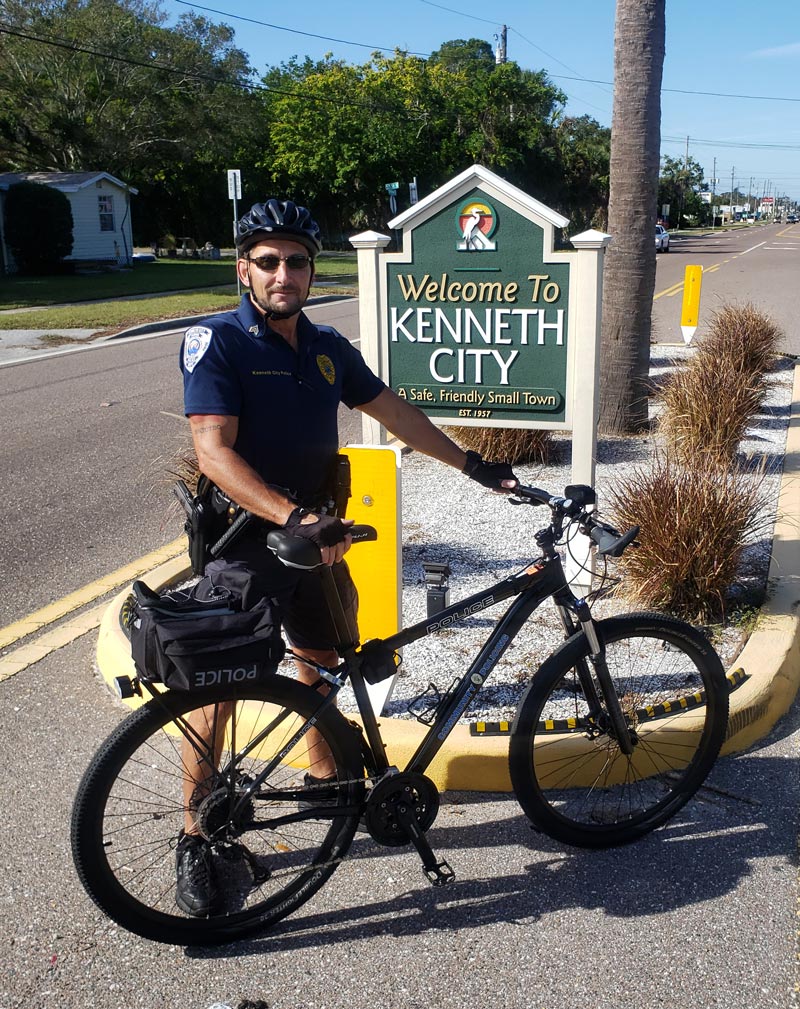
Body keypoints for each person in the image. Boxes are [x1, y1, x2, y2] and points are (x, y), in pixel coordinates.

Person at [176, 197, 518, 916]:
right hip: (248, 543)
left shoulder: (328, 346)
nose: (283, 274)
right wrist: (293, 515)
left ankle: (327, 789)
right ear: (244, 269)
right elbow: (213, 451)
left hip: (317, 541)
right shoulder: (219, 343)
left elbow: (393, 410)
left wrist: (471, 464)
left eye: (296, 261)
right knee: (219, 690)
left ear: (310, 269)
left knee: (326, 665)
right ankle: (194, 834)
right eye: (267, 261)